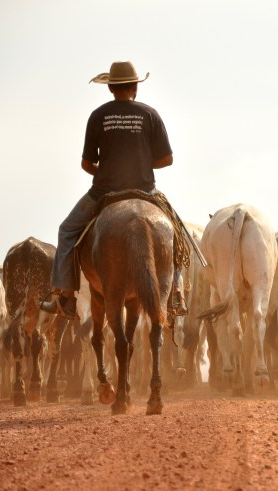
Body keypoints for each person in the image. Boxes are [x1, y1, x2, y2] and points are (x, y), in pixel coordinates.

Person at [40, 60, 186, 319]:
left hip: (104, 191)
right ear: (135, 88)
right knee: (177, 231)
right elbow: (167, 159)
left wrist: (107, 171)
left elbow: (87, 164)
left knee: (67, 231)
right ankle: (176, 291)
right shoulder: (150, 114)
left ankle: (66, 296)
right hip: (145, 191)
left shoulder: (98, 116)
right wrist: (140, 164)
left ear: (110, 89)